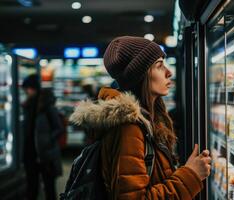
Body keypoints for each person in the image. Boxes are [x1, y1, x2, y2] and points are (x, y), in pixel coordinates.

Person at [70, 36, 211, 199]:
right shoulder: (129, 128)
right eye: (159, 66)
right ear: (140, 75)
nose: (169, 72)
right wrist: (190, 175)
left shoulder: (149, 119)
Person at [22, 74, 63, 200]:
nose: (26, 92)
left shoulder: (47, 106)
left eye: (27, 89)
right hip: (31, 155)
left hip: (46, 155)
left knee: (49, 188)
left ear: (33, 88)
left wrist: (47, 140)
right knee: (31, 188)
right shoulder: (27, 106)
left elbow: (59, 128)